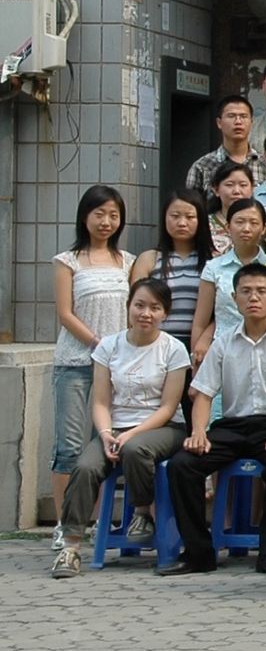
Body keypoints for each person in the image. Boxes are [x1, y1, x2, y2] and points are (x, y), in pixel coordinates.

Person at [164, 262, 266, 576]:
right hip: (232, 426)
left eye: (261, 291)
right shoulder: (223, 342)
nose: (253, 297)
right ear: (234, 298)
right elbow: (203, 394)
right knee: (182, 465)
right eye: (245, 291)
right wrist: (199, 431)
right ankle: (199, 554)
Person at [49, 278, 190, 577]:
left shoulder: (174, 349)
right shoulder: (109, 346)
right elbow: (101, 402)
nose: (146, 313)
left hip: (163, 427)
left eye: (155, 308)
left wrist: (131, 434)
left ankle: (142, 512)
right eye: (140, 305)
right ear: (128, 307)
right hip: (114, 428)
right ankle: (71, 547)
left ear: (165, 313)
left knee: (136, 449)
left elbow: (168, 407)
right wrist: (105, 434)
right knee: (85, 466)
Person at [49, 187, 135, 540]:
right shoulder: (67, 261)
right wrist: (99, 343)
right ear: (85, 216)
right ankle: (64, 523)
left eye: (113, 215)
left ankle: (99, 520)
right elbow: (65, 313)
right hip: (75, 361)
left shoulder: (127, 261)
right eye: (99, 214)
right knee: (68, 445)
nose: (106, 222)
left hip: (115, 366)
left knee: (103, 443)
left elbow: (134, 310)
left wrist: (116, 351)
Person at [196, 197, 266, 361]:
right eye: (240, 222)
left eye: (253, 223)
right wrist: (197, 356)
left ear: (263, 228)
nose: (246, 228)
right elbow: (201, 321)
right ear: (228, 227)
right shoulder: (213, 268)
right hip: (224, 350)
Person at [184, 94, 256, 195]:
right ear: (219, 123)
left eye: (243, 116)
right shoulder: (202, 166)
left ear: (251, 122)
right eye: (231, 116)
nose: (238, 121)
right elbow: (191, 203)